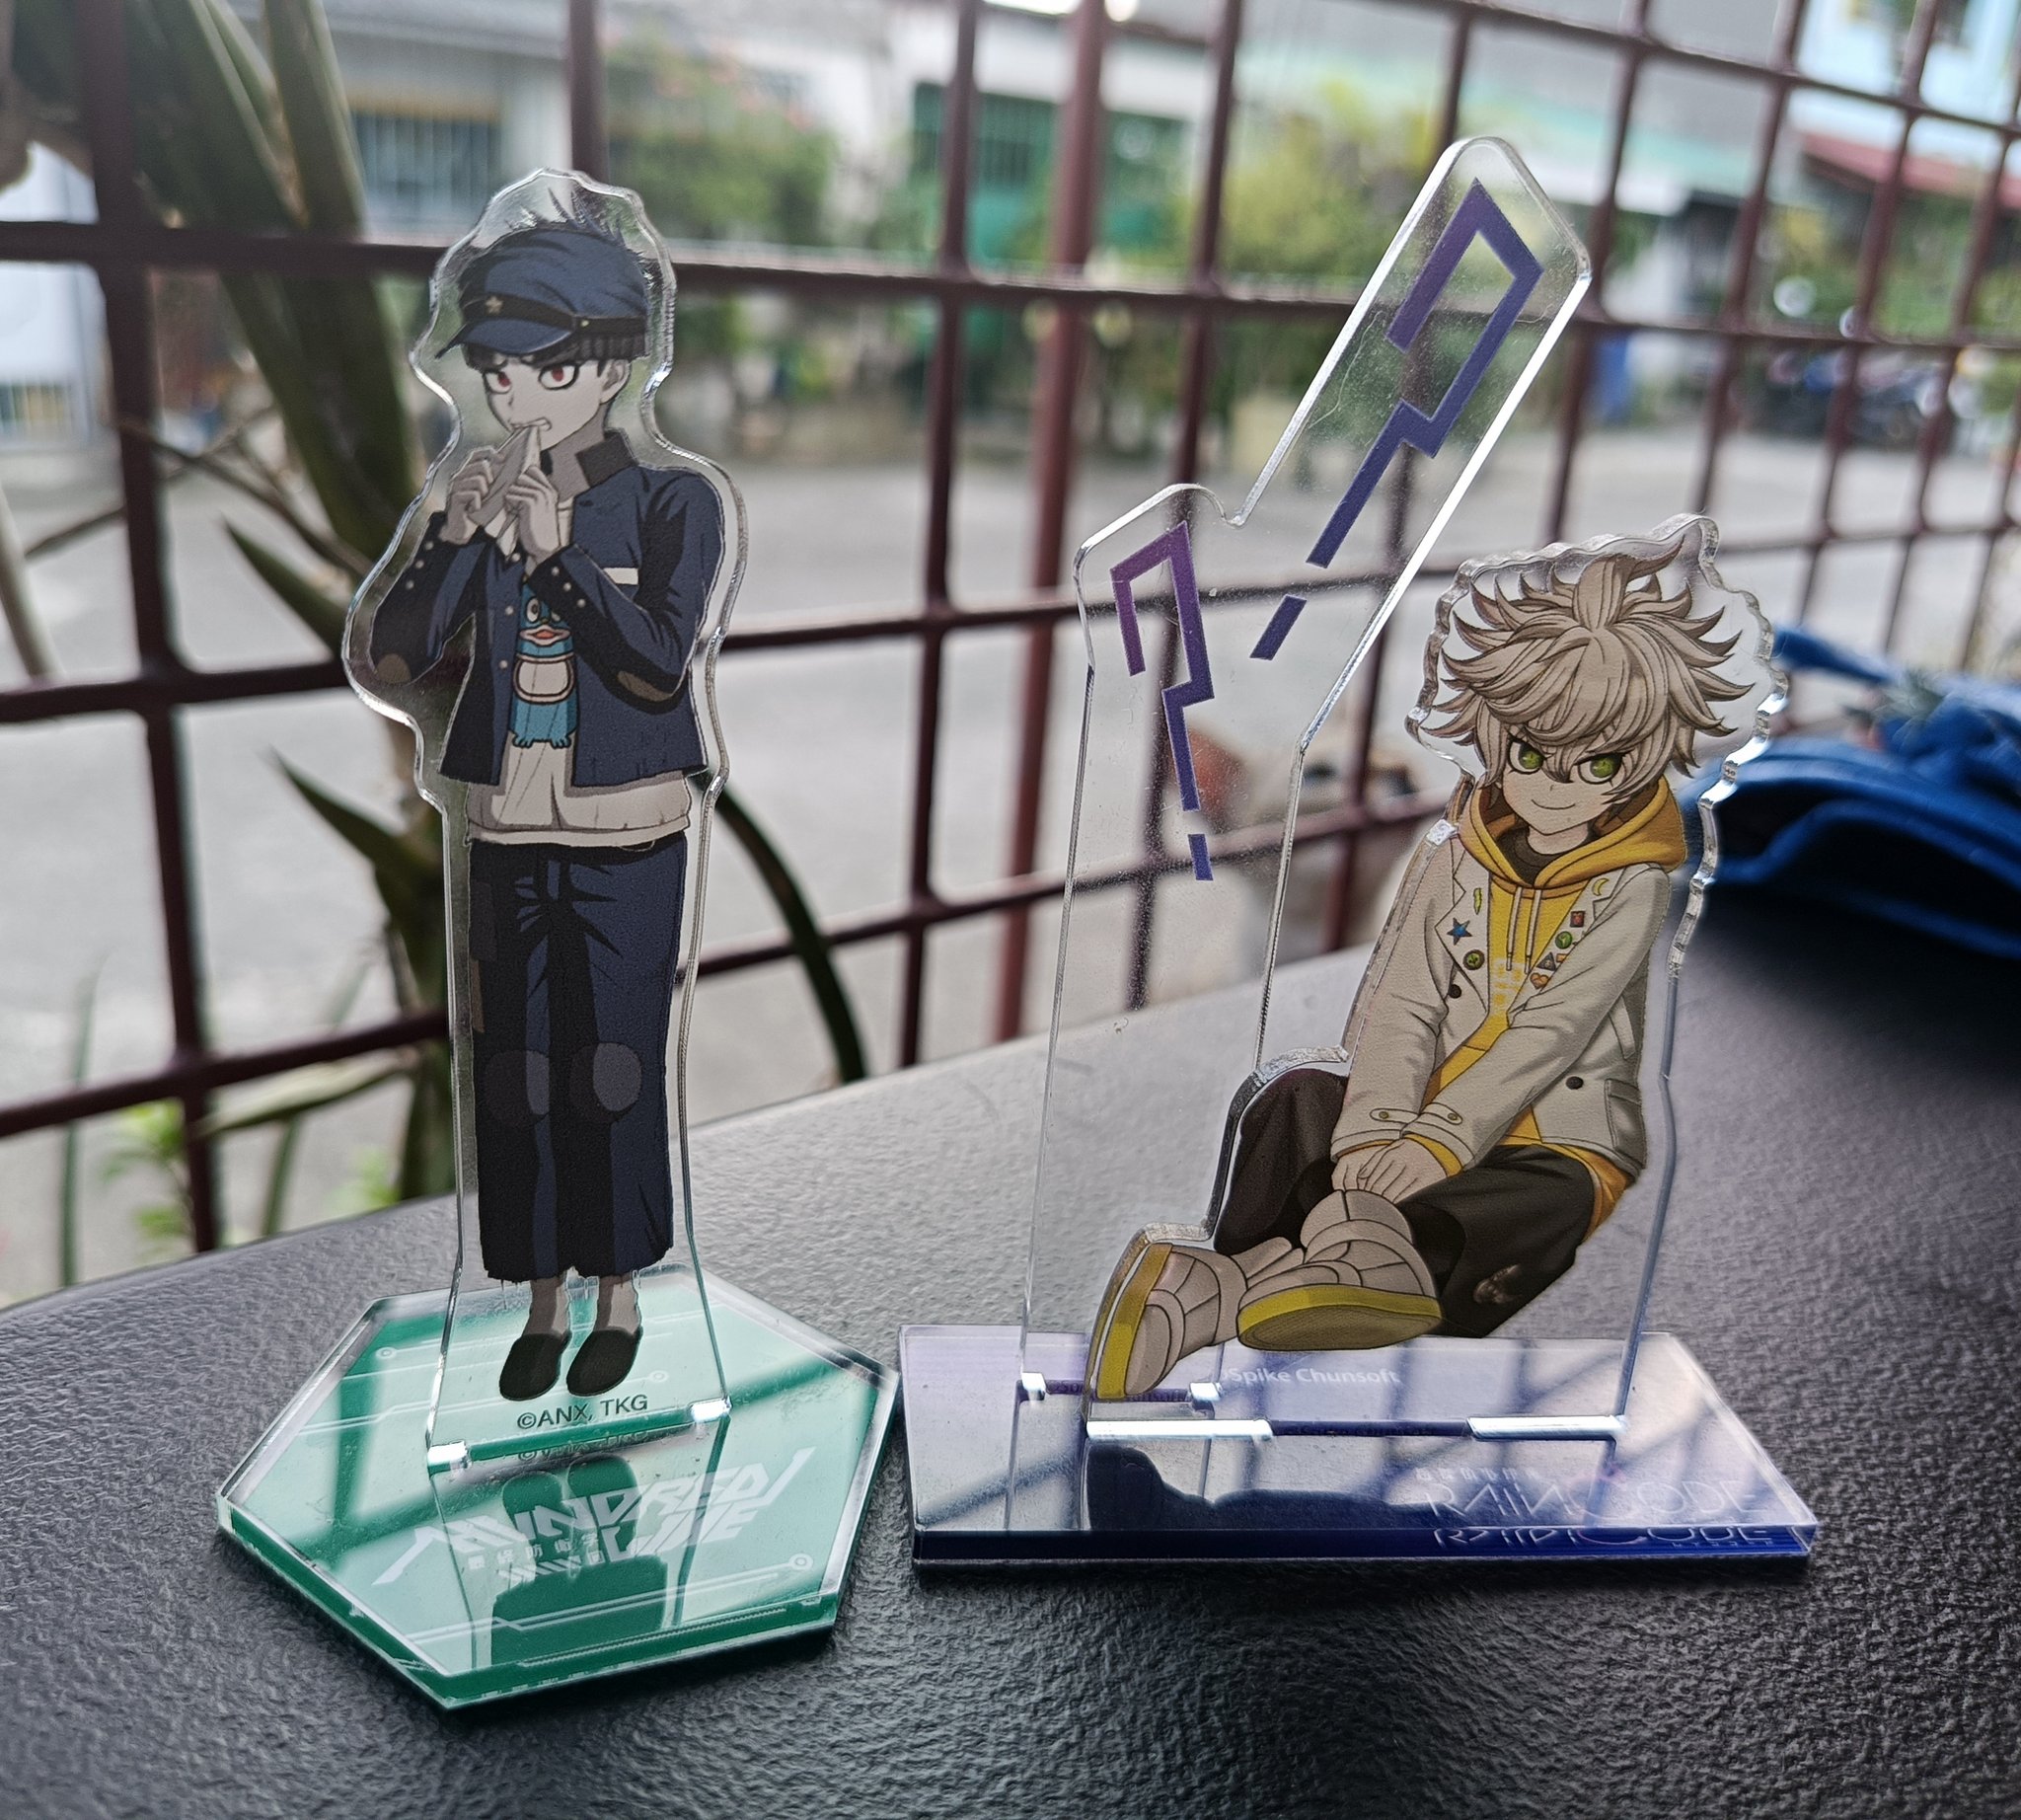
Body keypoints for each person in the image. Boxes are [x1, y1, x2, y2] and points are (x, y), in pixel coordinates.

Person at [1086, 524, 1752, 1402]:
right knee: (1292, 1099)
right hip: (1416, 1113)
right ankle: (1280, 1273)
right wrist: (1374, 1129)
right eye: (1528, 752)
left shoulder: (1626, 884)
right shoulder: (1457, 861)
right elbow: (1401, 1001)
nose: (1552, 784)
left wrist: (1431, 1143)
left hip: (1543, 1133)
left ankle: (1255, 1291)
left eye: (1596, 761)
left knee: (1519, 1201)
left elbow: (1550, 1034)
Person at [367, 220, 724, 1404]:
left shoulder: (673, 500)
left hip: (627, 828)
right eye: (499, 368)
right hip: (504, 824)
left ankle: (619, 1293)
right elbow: (396, 656)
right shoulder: (481, 497)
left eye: (544, 366)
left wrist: (559, 558)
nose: (515, 391)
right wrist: (449, 538)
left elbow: (658, 665)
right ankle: (537, 1298)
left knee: (609, 1065)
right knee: (514, 1070)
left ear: (612, 367)